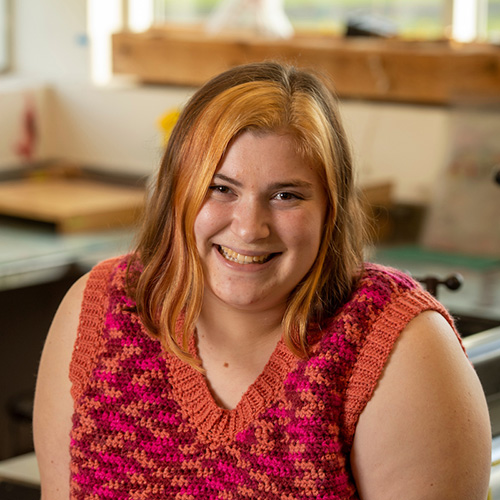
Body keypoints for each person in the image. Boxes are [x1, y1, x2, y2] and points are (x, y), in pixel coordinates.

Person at [33, 61, 492, 500]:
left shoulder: (397, 345)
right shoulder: (98, 311)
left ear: (330, 211)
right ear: (176, 192)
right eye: (221, 188)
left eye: (286, 195)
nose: (250, 227)